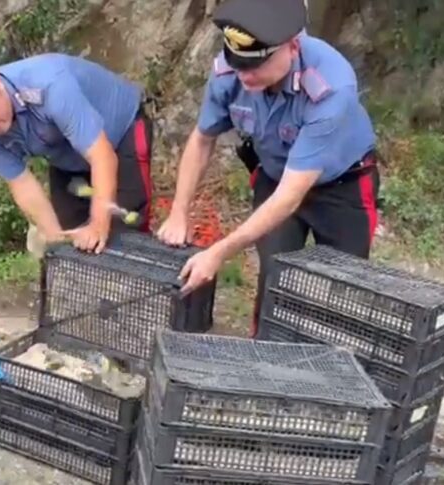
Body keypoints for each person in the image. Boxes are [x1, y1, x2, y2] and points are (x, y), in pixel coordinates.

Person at [156, 0, 381, 336]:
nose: (245, 76)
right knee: (275, 273)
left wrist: (219, 252)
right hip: (276, 174)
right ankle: (264, 355)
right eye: (238, 63)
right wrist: (178, 211)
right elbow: (202, 139)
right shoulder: (230, 75)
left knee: (342, 284)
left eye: (255, 66)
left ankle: (330, 368)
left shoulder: (329, 88)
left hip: (341, 184)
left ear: (292, 46)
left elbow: (292, 195)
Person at [0, 48, 154, 254]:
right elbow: (21, 183)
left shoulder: (49, 85)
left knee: (122, 229)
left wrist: (98, 225)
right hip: (66, 155)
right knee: (69, 235)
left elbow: (102, 156)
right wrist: (54, 239)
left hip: (120, 132)